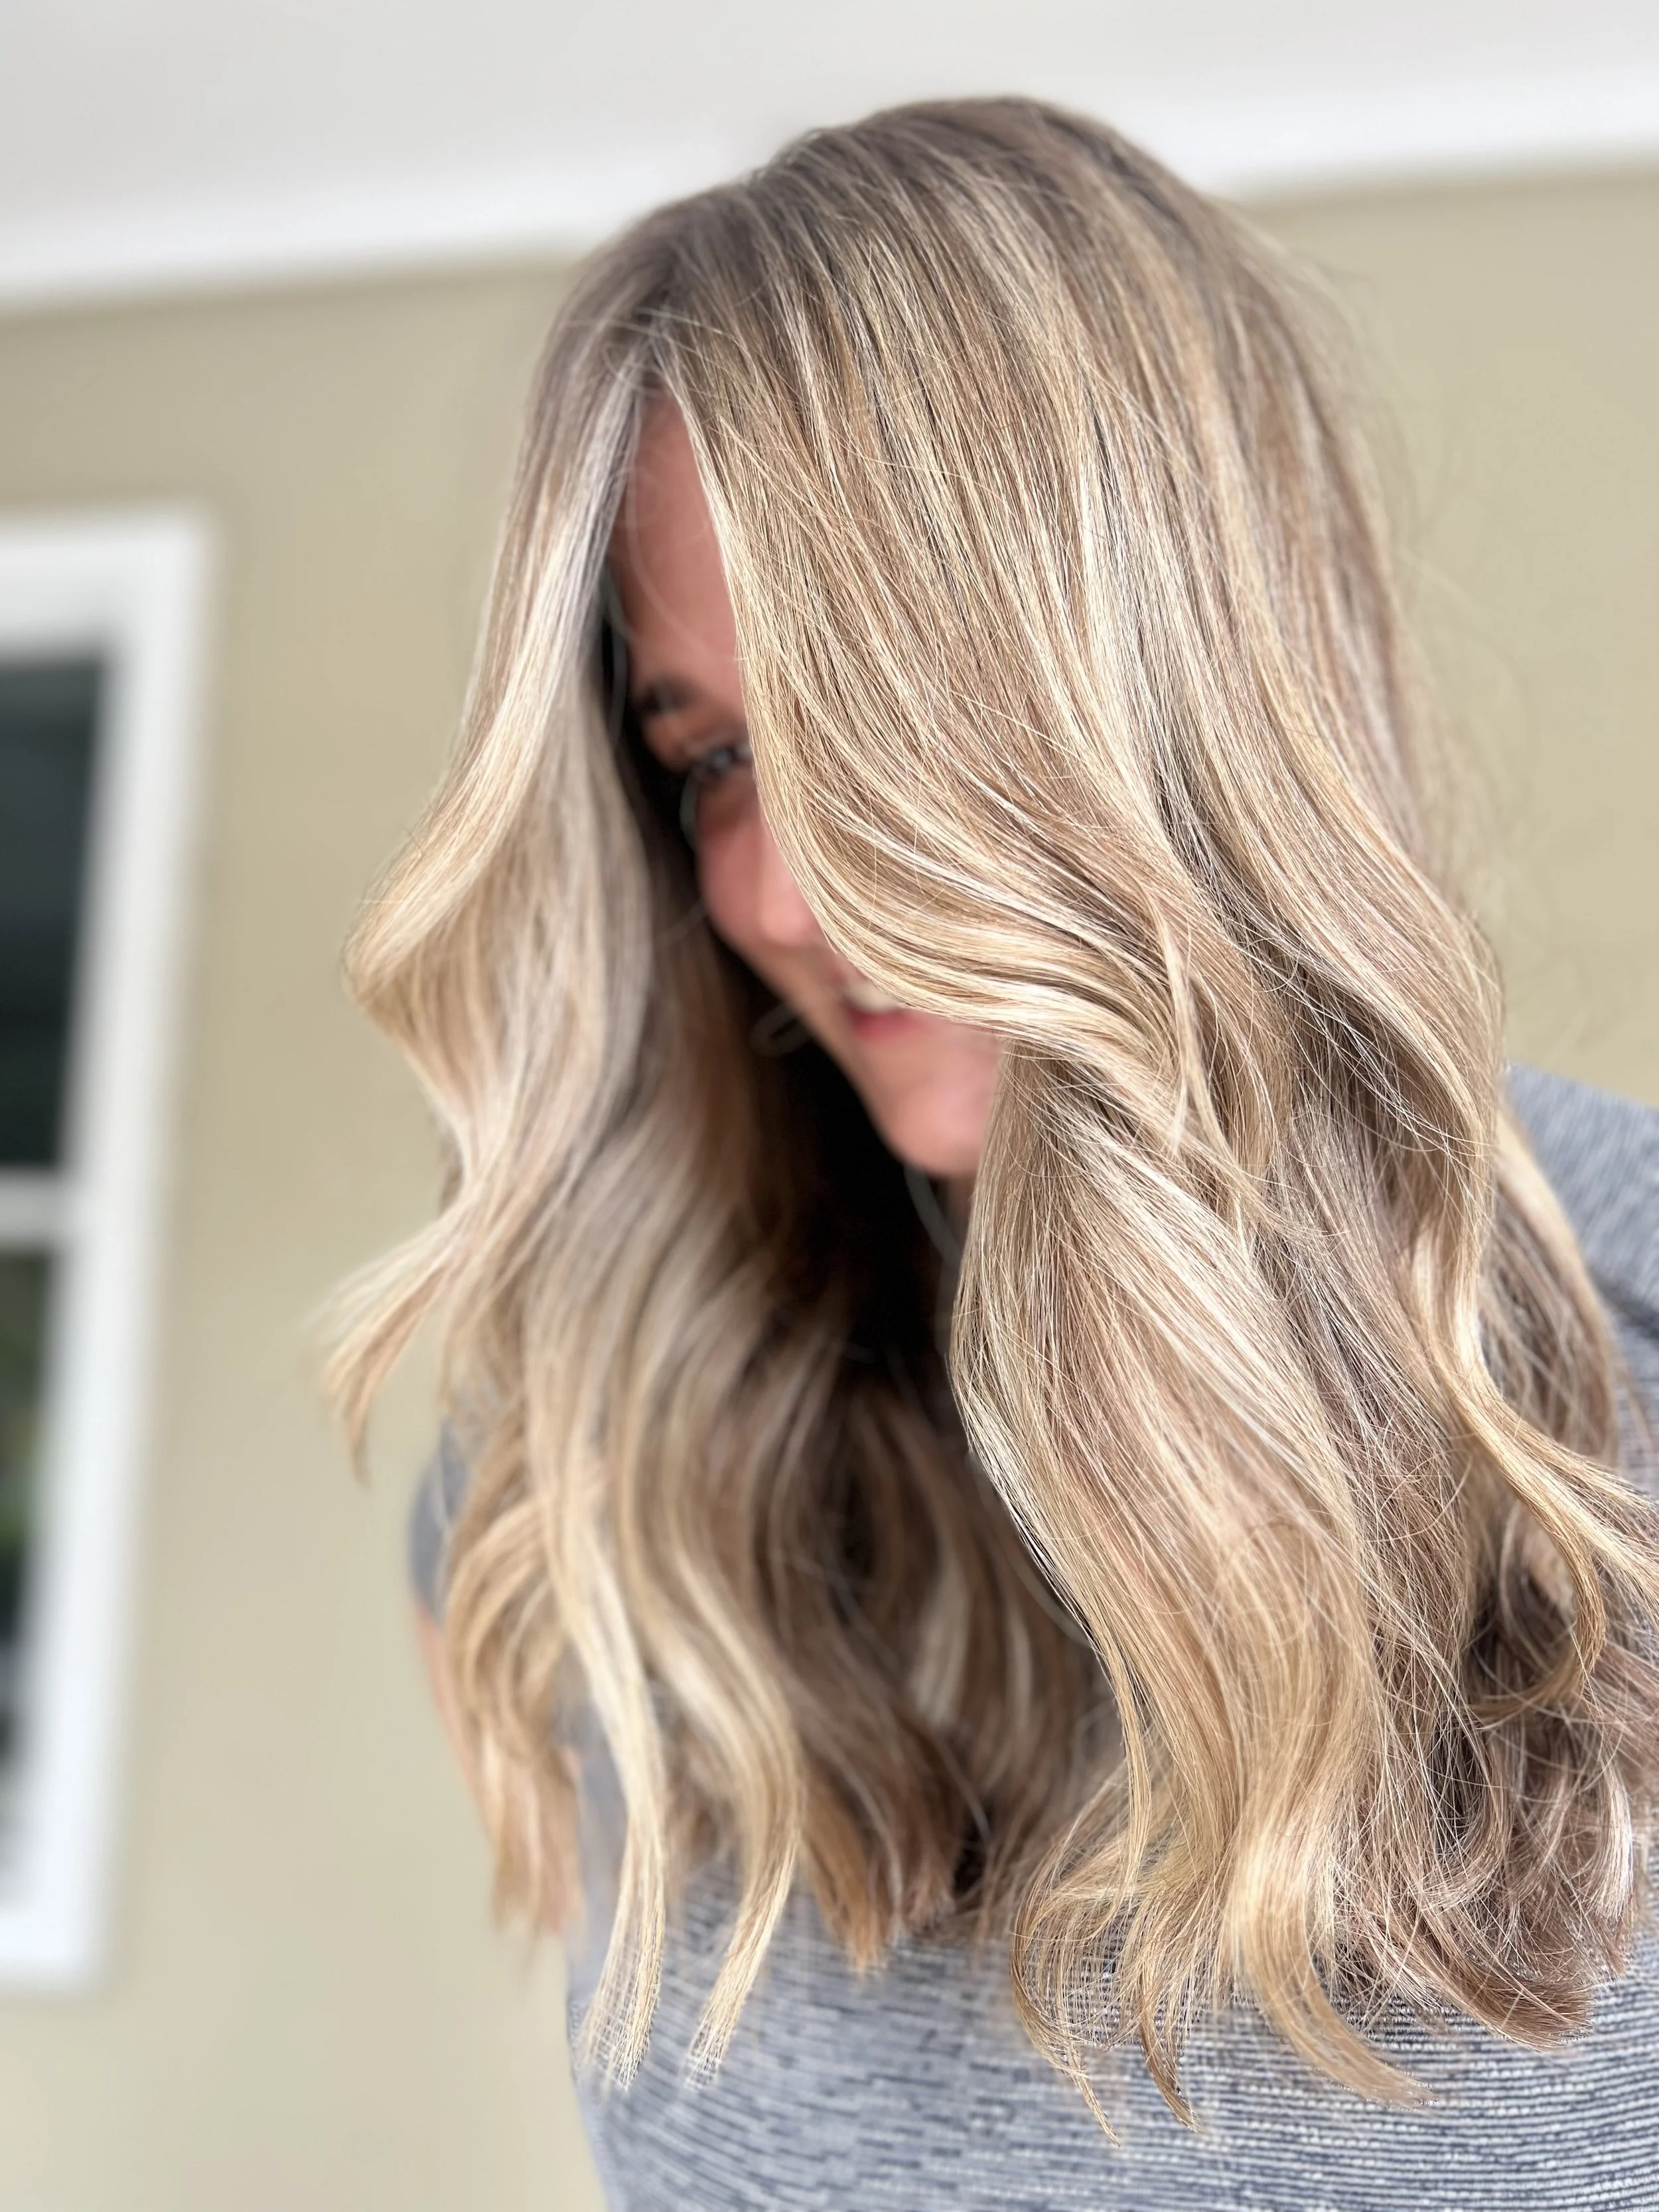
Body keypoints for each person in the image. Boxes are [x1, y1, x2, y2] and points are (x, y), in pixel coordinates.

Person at [330, 98, 1659, 2209]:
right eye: (710, 757)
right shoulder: (577, 1501)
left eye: (879, 722)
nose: (775, 884)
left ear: (1188, 682)